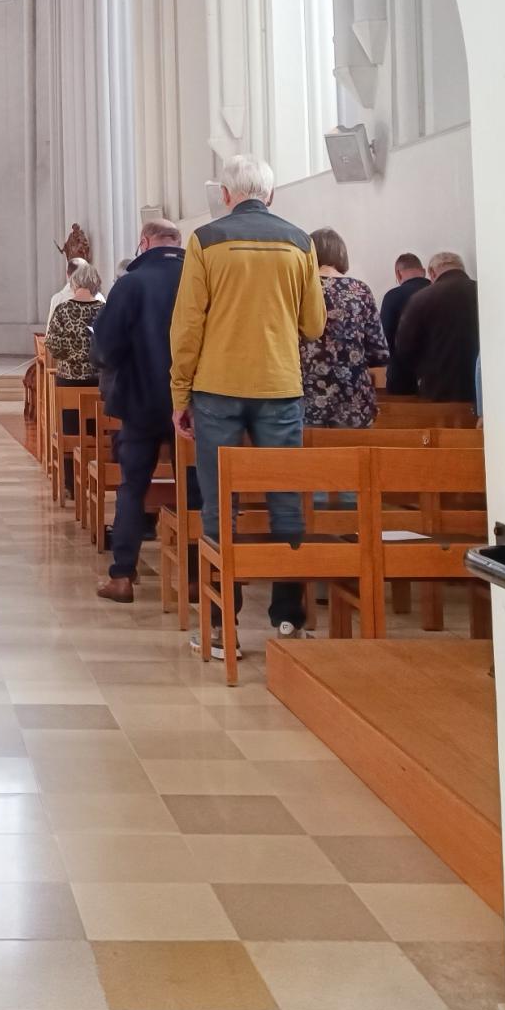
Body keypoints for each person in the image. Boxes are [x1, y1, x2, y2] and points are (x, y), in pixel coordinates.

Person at [169, 153, 325, 649]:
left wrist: (180, 392)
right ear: (271, 194)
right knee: (285, 501)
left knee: (219, 504)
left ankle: (221, 627)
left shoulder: (205, 240)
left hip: (217, 387)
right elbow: (314, 323)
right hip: (279, 386)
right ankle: (287, 617)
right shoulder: (300, 242)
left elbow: (188, 326)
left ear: (225, 194)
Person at [92, 219, 189, 601]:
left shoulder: (130, 284)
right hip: (193, 405)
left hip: (139, 400)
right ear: (178, 243)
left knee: (133, 487)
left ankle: (122, 577)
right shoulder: (201, 278)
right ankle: (198, 578)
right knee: (195, 488)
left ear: (143, 242)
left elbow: (104, 348)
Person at [301, 228, 390, 429]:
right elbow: (379, 351)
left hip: (308, 397)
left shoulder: (301, 289)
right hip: (353, 396)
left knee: (311, 459)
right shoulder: (360, 290)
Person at [386, 249, 480, 405]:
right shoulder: (482, 292)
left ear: (431, 272)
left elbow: (404, 348)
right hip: (481, 391)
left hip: (437, 390)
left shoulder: (422, 298)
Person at [45, 259, 105, 500]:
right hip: (97, 381)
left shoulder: (63, 310)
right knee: (95, 433)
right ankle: (93, 479)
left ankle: (71, 483)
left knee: (71, 431)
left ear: (74, 282)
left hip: (69, 379)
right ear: (96, 283)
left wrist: (73, 355)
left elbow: (53, 345)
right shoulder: (104, 310)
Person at [378, 251, 429, 351]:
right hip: (441, 363)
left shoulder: (392, 296)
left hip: (406, 363)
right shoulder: (441, 292)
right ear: (424, 271)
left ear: (398, 274)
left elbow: (385, 338)